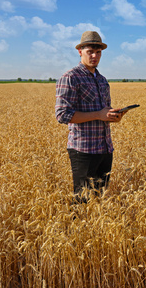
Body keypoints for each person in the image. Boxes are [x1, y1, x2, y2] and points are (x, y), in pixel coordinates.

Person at [55, 31, 125, 203]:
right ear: (80, 51)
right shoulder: (70, 78)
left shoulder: (102, 80)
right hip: (83, 150)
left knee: (100, 198)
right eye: (90, 52)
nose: (95, 56)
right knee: (82, 200)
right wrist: (98, 115)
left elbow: (104, 112)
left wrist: (113, 116)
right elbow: (62, 115)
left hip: (105, 147)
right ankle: (75, 229)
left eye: (98, 52)